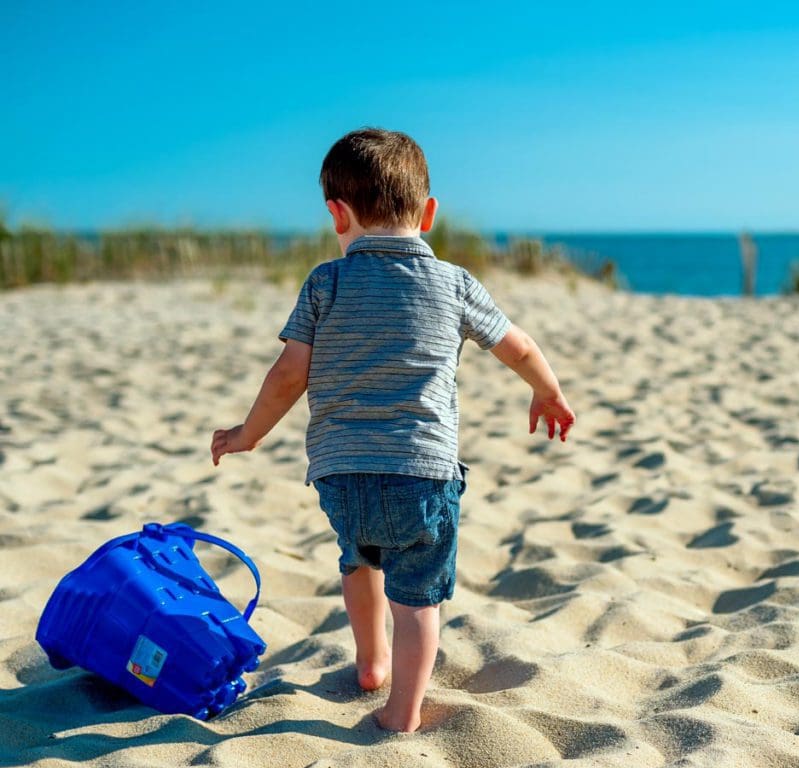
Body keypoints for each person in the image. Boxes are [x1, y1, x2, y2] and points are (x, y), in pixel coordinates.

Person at [210, 128, 575, 732]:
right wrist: (548, 390)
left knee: (359, 562)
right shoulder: (456, 282)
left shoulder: (324, 283)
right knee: (418, 600)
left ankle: (370, 662)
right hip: (421, 476)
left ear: (337, 214)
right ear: (429, 213)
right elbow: (518, 345)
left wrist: (248, 433)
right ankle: (402, 710)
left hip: (342, 476)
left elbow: (287, 375)